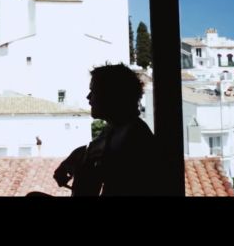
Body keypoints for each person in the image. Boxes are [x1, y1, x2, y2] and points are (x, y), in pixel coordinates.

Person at [53, 63, 158, 196]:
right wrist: (76, 157)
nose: (89, 97)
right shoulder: (117, 129)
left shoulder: (133, 138)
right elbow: (93, 149)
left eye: (94, 91)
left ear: (111, 95)